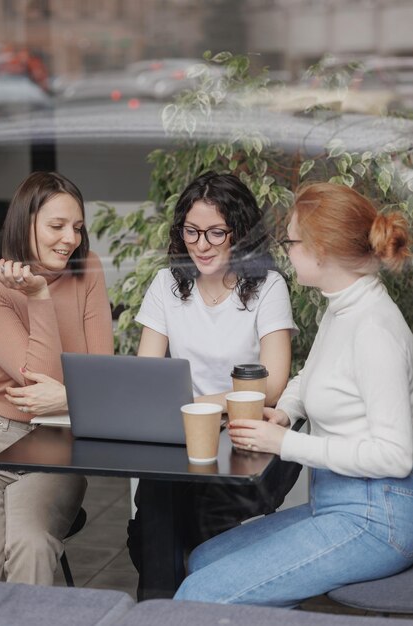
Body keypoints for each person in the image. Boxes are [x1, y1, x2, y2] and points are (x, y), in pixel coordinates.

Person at [174, 181, 413, 607]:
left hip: (378, 520)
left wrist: (287, 443)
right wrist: (283, 412)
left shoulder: (374, 329)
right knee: (205, 559)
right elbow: (309, 377)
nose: (286, 249)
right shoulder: (343, 307)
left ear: (321, 250)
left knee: (201, 592)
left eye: (293, 241)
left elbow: (396, 456)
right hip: (338, 505)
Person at [128, 170, 300, 595]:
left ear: (239, 234)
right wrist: (191, 412)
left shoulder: (267, 286)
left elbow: (273, 384)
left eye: (215, 233)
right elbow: (146, 373)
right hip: (185, 438)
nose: (200, 245)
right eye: (191, 231)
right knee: (159, 503)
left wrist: (200, 403)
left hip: (243, 436)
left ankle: (167, 607)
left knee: (158, 528)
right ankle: (180, 608)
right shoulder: (168, 284)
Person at [0, 171, 114, 585]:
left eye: (78, 228)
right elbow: (40, 382)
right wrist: (76, 395)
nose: (71, 239)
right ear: (24, 224)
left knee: (29, 544)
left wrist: (39, 295)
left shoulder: (88, 269)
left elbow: (101, 376)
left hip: (56, 451)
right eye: (57, 226)